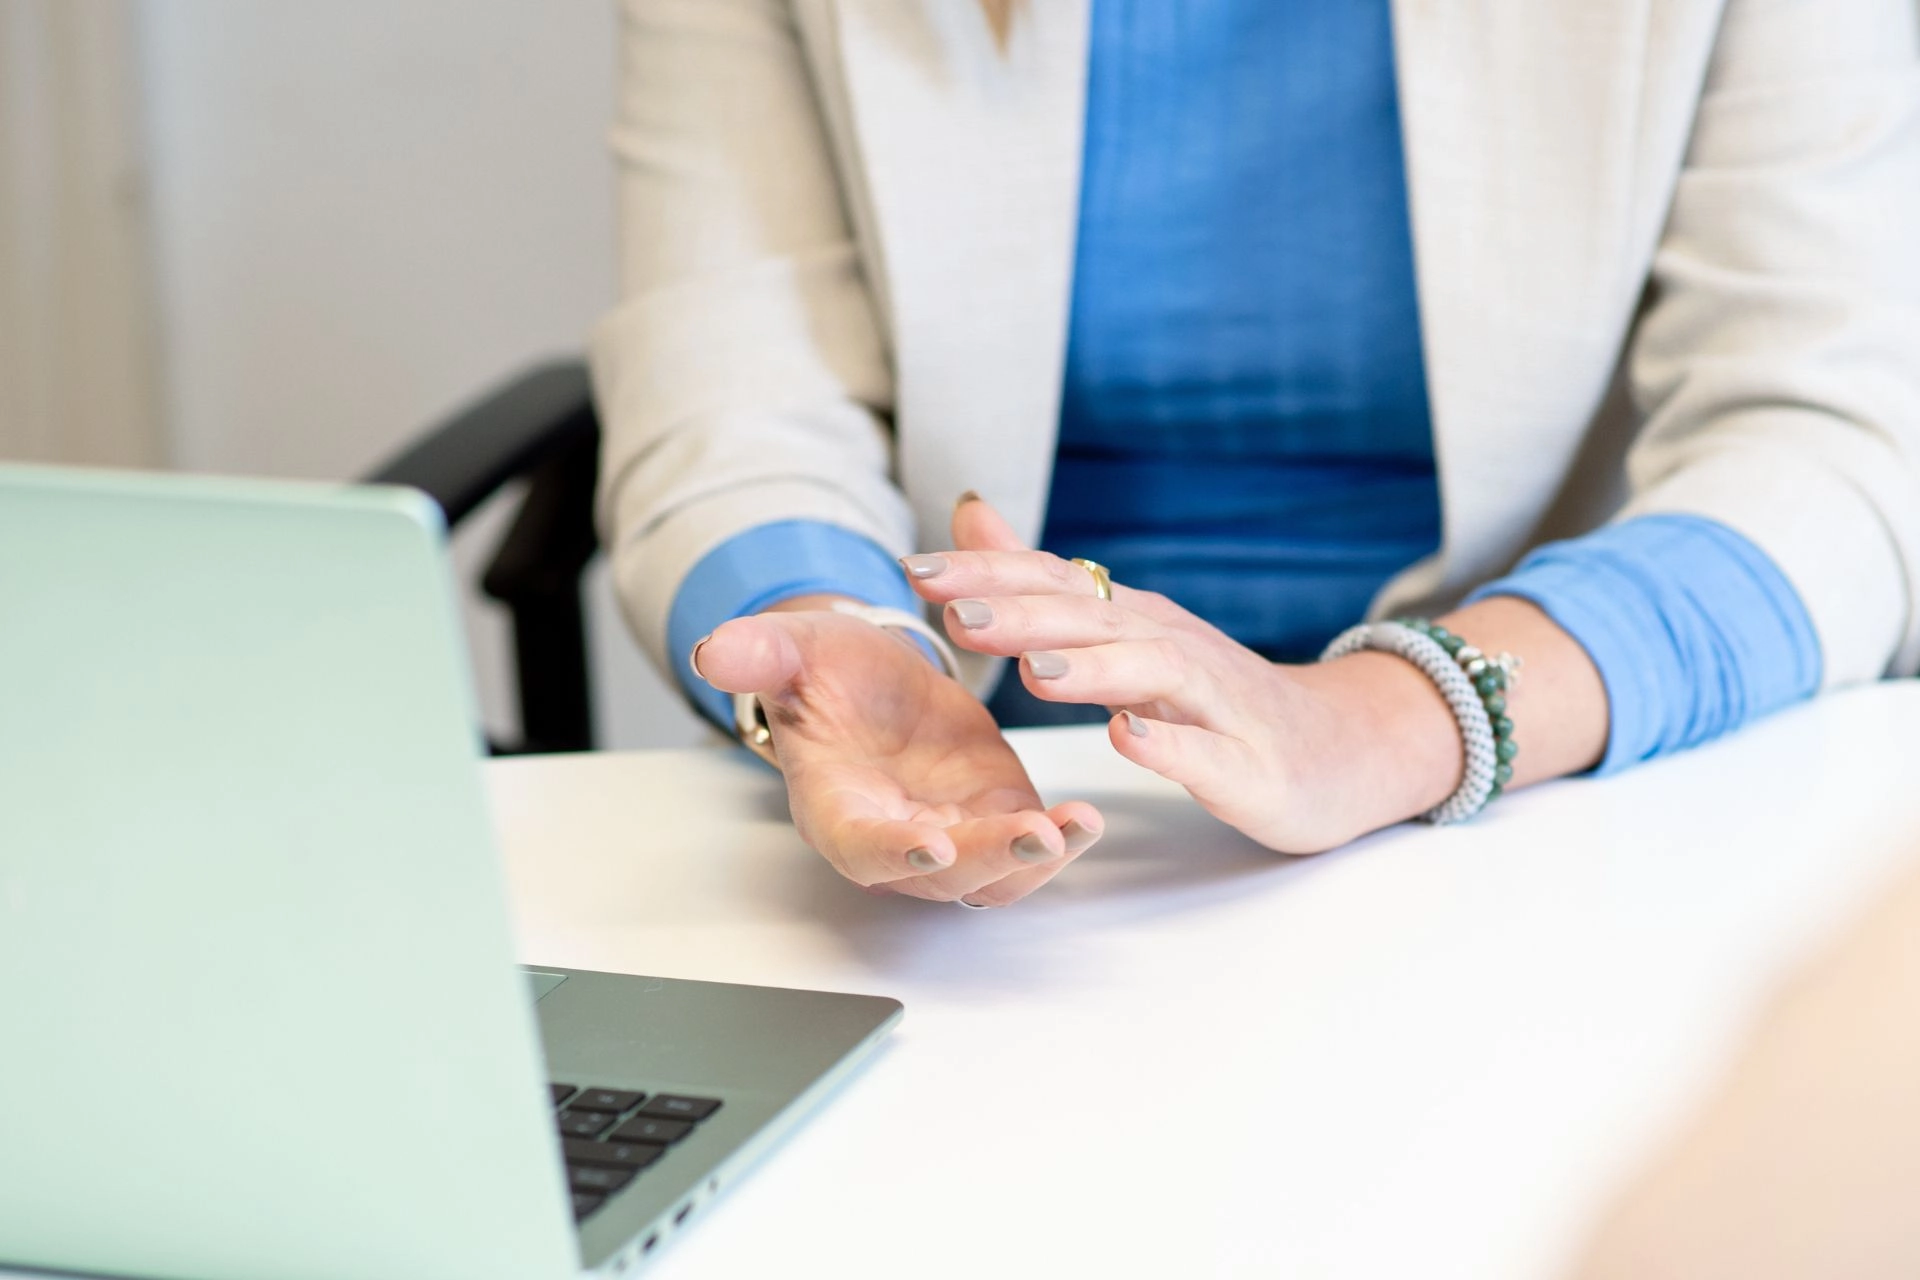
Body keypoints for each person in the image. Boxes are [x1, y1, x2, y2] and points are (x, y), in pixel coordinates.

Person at [590, 0, 1920, 907]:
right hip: (1007, 810)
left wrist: (1389, 723)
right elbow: (738, 391)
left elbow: (1835, 436)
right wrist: (836, 638)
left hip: (1546, 754)